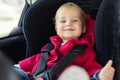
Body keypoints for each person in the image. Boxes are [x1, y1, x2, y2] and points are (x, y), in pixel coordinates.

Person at [14, 2, 115, 80]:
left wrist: (100, 75)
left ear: (83, 28)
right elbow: (35, 60)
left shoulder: (85, 51)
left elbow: (91, 68)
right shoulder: (48, 48)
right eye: (63, 21)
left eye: (75, 20)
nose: (68, 24)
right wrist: (18, 67)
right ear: (57, 29)